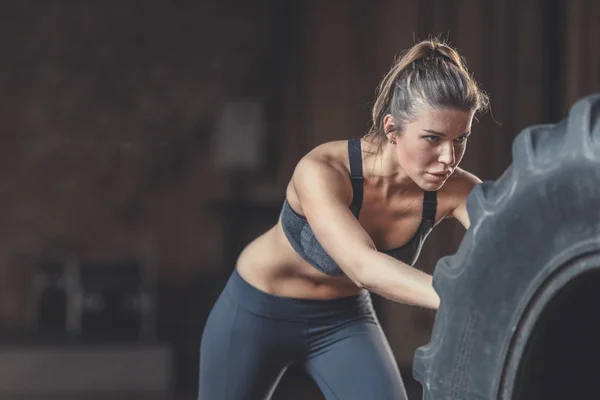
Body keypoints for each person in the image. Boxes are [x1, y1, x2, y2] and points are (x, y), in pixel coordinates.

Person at [198, 38, 489, 400]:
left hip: (343, 320)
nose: (449, 157)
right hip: (257, 309)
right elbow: (363, 267)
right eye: (432, 138)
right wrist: (463, 297)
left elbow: (516, 239)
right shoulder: (323, 170)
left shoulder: (455, 188)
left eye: (461, 139)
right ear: (391, 129)